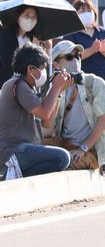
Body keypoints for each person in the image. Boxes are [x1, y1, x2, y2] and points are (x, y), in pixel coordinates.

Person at [41, 41, 105, 173]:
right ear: (56, 63)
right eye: (70, 57)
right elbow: (49, 129)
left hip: (89, 149)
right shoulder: (54, 89)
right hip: (65, 145)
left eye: (78, 56)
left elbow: (103, 122)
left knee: (64, 165)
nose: (76, 60)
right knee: (35, 151)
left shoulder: (95, 83)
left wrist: (83, 148)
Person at [0, 44, 73, 178]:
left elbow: (47, 122)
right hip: (13, 152)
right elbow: (45, 112)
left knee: (63, 159)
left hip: (18, 150)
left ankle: (14, 175)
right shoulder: (19, 85)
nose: (45, 71)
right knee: (62, 157)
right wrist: (55, 88)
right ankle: (11, 174)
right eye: (43, 67)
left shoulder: (22, 85)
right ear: (31, 69)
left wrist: (58, 93)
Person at [64, 0, 105, 114]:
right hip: (82, 83)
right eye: (82, 10)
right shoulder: (71, 34)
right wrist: (92, 50)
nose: (87, 13)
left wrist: (103, 51)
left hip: (104, 80)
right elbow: (69, 57)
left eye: (89, 10)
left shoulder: (102, 32)